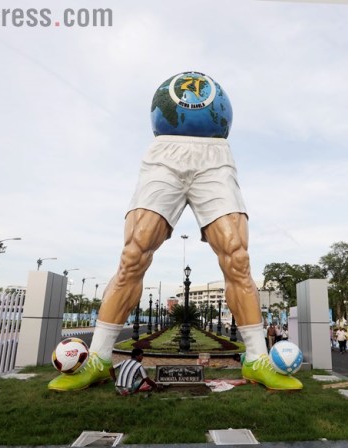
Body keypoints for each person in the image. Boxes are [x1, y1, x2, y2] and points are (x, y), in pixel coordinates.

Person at [48, 71, 301, 392]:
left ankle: (256, 358)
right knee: (133, 254)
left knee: (237, 257)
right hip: (165, 153)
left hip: (215, 153)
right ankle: (98, 358)